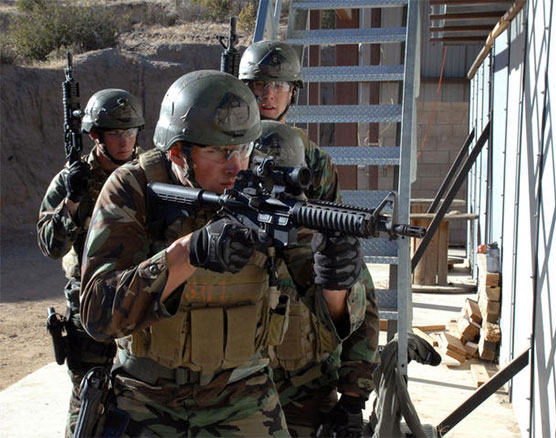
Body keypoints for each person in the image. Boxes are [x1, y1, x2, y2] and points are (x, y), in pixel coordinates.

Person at [79, 70, 367, 436]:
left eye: (243, 149)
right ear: (177, 153)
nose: (236, 167)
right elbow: (98, 316)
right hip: (147, 397)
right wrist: (188, 253)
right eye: (217, 151)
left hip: (243, 395)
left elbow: (337, 317)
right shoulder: (133, 187)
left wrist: (337, 281)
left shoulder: (263, 188)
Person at [240, 40, 381, 436]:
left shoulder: (312, 158)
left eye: (279, 86)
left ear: (293, 93)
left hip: (298, 336)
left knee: (348, 275)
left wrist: (353, 397)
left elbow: (334, 239)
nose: (268, 95)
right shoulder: (221, 150)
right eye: (259, 85)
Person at [37, 88, 145, 437]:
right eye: (116, 133)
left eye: (131, 132)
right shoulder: (74, 179)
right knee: (89, 397)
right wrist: (71, 201)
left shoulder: (149, 172)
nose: (126, 141)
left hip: (138, 299)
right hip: (89, 305)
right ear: (95, 136)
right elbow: (50, 246)